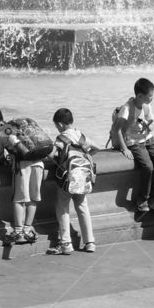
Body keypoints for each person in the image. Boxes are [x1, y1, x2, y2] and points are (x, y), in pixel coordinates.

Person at [0, 105, 43, 245]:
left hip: (23, 166)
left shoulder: (3, 134)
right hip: (39, 163)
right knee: (33, 198)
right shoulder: (18, 126)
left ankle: (19, 232)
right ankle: (28, 230)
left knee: (19, 200)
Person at [112, 78, 154, 214]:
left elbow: (152, 122)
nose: (152, 98)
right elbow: (116, 130)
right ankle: (142, 199)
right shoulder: (127, 109)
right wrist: (125, 148)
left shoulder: (146, 105)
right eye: (150, 95)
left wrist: (149, 125)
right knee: (148, 167)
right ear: (140, 96)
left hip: (148, 140)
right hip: (134, 143)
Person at [46, 107, 99, 255]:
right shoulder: (81, 136)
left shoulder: (61, 138)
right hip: (82, 177)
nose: (57, 128)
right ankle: (90, 242)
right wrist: (87, 155)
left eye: (56, 125)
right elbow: (96, 148)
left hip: (68, 179)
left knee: (62, 206)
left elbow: (51, 155)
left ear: (61, 124)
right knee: (82, 207)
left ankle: (66, 243)